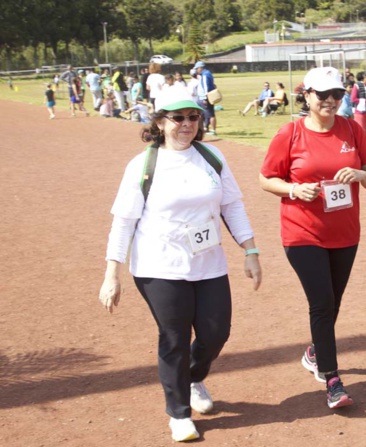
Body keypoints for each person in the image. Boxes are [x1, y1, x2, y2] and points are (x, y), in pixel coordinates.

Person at [98, 85, 262, 442]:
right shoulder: (143, 164)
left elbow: (231, 205)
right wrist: (113, 274)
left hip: (209, 263)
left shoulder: (211, 157)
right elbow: (124, 221)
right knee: (173, 336)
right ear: (159, 122)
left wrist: (250, 251)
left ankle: (192, 377)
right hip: (159, 266)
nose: (187, 124)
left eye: (193, 117)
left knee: (216, 332)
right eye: (177, 118)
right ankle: (178, 413)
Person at [259, 67, 366, 409]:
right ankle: (332, 380)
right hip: (302, 233)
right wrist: (295, 189)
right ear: (307, 95)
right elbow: (267, 179)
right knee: (322, 303)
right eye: (322, 95)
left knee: (332, 303)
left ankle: (315, 352)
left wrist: (359, 173)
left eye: (337, 95)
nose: (330, 101)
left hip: (344, 233)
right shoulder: (290, 133)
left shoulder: (352, 129)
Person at [194, 61, 217, 136]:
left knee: (210, 114)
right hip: (205, 97)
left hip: (204, 97)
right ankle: (205, 128)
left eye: (197, 68)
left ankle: (213, 130)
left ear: (200, 68)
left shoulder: (205, 75)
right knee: (203, 114)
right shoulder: (208, 73)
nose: (197, 70)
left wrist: (205, 98)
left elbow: (206, 87)